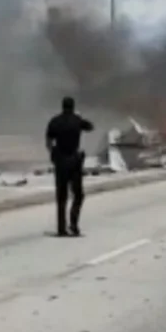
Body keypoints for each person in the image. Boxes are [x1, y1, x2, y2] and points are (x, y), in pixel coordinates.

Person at [45, 97, 94, 237]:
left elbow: (48, 141)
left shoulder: (55, 121)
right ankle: (73, 224)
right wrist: (79, 117)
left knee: (61, 196)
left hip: (60, 161)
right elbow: (90, 127)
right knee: (78, 194)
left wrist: (53, 155)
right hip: (74, 161)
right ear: (73, 107)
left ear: (62, 107)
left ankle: (61, 229)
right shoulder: (77, 120)